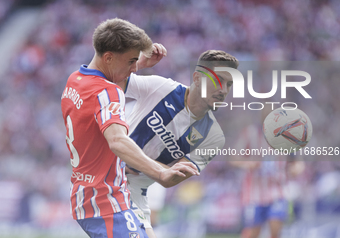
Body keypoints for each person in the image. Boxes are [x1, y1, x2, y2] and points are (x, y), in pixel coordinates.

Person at [60, 18, 199, 238]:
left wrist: (137, 62)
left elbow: (100, 89)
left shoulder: (74, 80)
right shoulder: (107, 92)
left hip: (95, 194)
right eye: (131, 61)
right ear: (109, 57)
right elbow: (117, 140)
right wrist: (161, 172)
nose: (134, 69)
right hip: (104, 202)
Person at [117, 50, 239, 237]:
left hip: (134, 193)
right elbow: (108, 81)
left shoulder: (214, 137)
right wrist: (139, 64)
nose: (223, 90)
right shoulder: (161, 87)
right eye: (218, 80)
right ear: (197, 78)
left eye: (229, 84)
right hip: (103, 174)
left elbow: (170, 179)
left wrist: (131, 160)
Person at [231, 109, 305, 238]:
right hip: (254, 194)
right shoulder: (250, 133)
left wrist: (296, 169)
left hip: (277, 192)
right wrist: (249, 163)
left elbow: (298, 163)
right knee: (252, 232)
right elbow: (234, 158)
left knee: (275, 229)